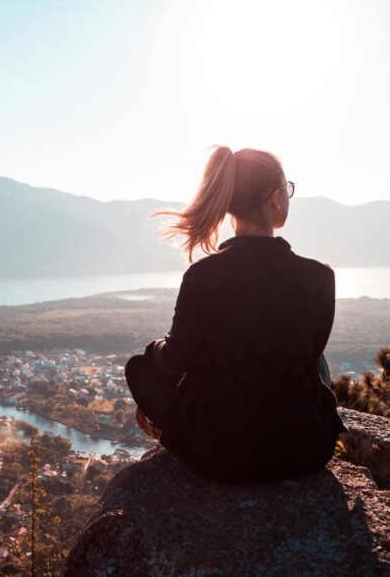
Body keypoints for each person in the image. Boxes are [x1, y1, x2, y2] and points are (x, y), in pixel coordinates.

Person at [125, 146, 344, 484]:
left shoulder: (203, 276)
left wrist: (154, 348)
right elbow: (309, 356)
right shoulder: (320, 277)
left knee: (138, 368)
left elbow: (175, 360)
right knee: (317, 362)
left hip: (223, 454)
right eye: (287, 189)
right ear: (274, 199)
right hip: (307, 448)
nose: (288, 196)